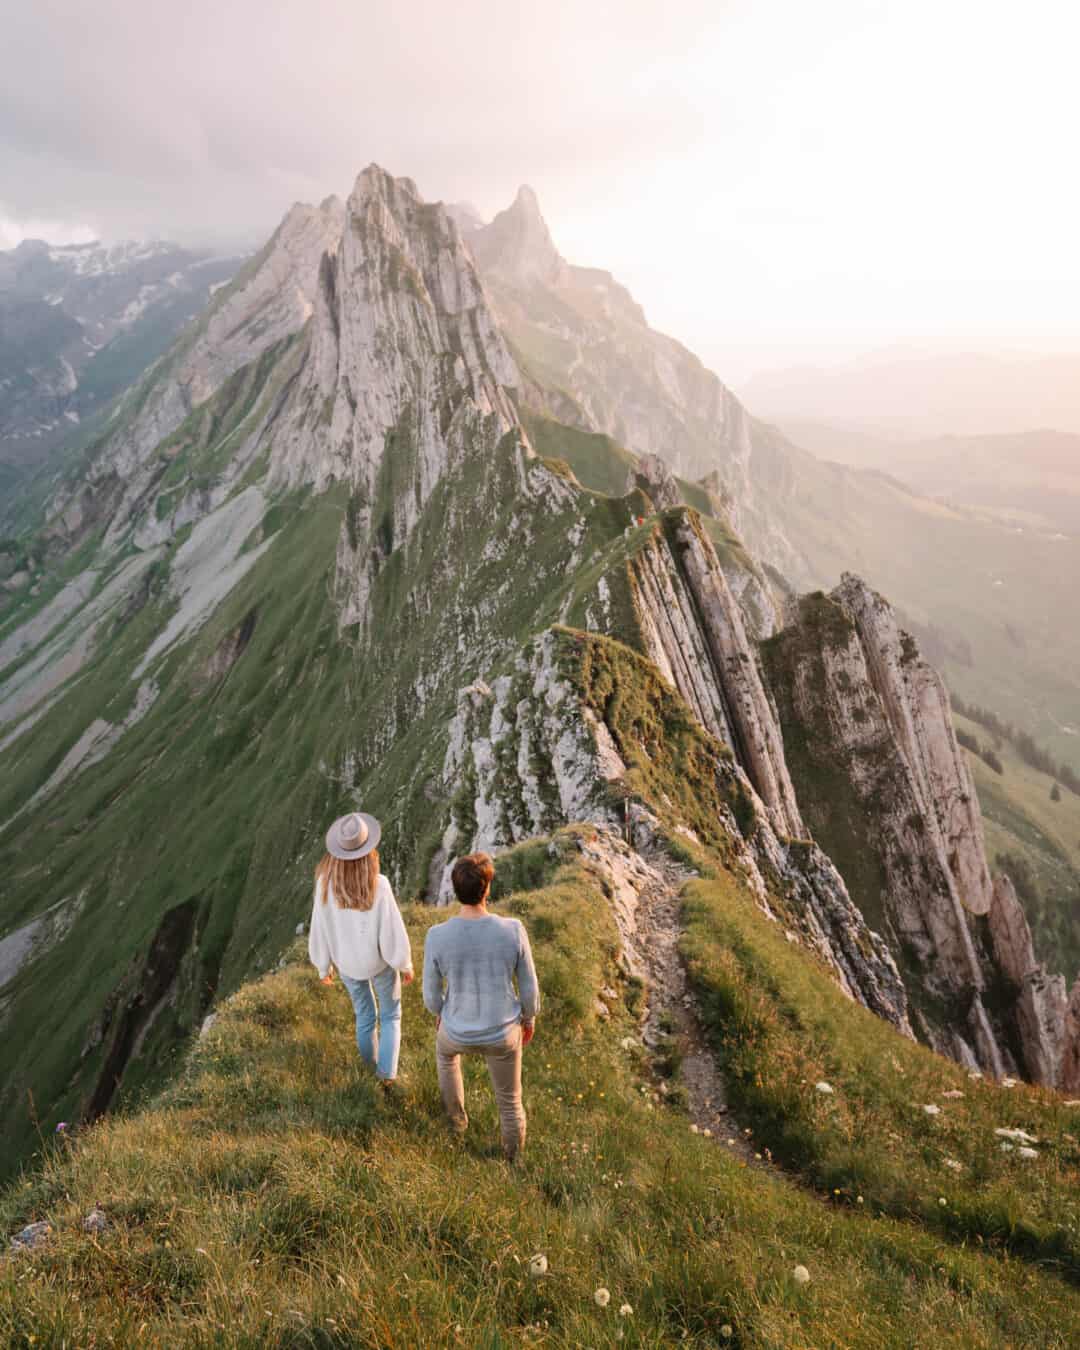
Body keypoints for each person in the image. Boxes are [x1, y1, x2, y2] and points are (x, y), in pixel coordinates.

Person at [422, 852, 540, 1161]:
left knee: (446, 1057)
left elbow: (431, 998)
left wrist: (441, 1015)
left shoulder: (436, 936)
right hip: (502, 1031)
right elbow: (529, 988)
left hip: (456, 1029)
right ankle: (513, 1159)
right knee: (510, 1100)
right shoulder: (513, 930)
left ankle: (456, 1123)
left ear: (455, 890)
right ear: (487, 889)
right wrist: (528, 1019)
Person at [308, 811, 413, 1087]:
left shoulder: (324, 887)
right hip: (379, 962)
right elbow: (391, 928)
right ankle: (386, 1076)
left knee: (365, 1015)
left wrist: (323, 965)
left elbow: (319, 926)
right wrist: (403, 963)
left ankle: (370, 1070)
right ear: (369, 852)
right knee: (391, 1015)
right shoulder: (378, 885)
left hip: (348, 964)